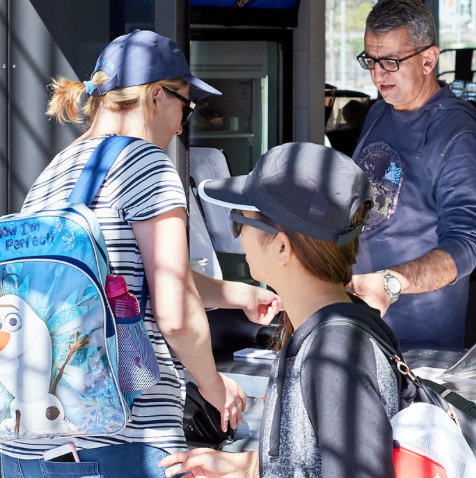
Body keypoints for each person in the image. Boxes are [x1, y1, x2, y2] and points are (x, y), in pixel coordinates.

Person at [0, 30, 282, 478]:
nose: (182, 124)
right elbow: (174, 315)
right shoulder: (146, 165)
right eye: (185, 106)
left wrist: (237, 295)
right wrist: (215, 386)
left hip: (29, 441)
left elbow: (129, 282)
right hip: (121, 440)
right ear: (155, 96)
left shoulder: (57, 171)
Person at [159, 142, 400, 478]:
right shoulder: (336, 329)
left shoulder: (334, 356)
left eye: (239, 223)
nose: (239, 238)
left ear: (282, 247)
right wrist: (249, 468)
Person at [349, 0, 476, 348]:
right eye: (371, 60)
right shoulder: (379, 112)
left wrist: (391, 282)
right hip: (362, 326)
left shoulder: (456, 133)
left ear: (428, 59)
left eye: (391, 61)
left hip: (422, 344)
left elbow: (463, 247)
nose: (379, 74)